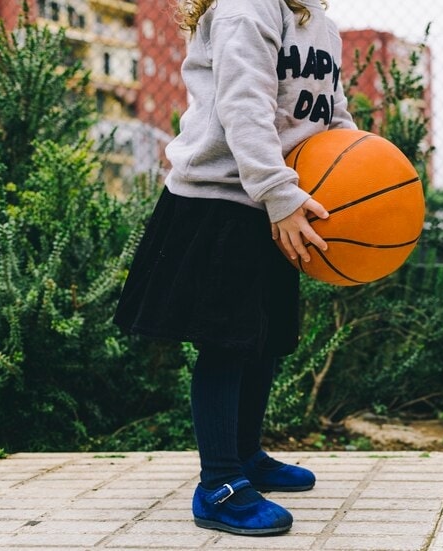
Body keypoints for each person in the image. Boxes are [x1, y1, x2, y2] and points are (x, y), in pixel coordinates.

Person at [114, 0, 356, 536]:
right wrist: (278, 191)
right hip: (223, 199)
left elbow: (331, 116)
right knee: (226, 341)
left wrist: (356, 173)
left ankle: (246, 456)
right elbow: (243, 105)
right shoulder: (245, 8)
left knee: (264, 338)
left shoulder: (320, 23)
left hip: (278, 201)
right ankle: (219, 484)